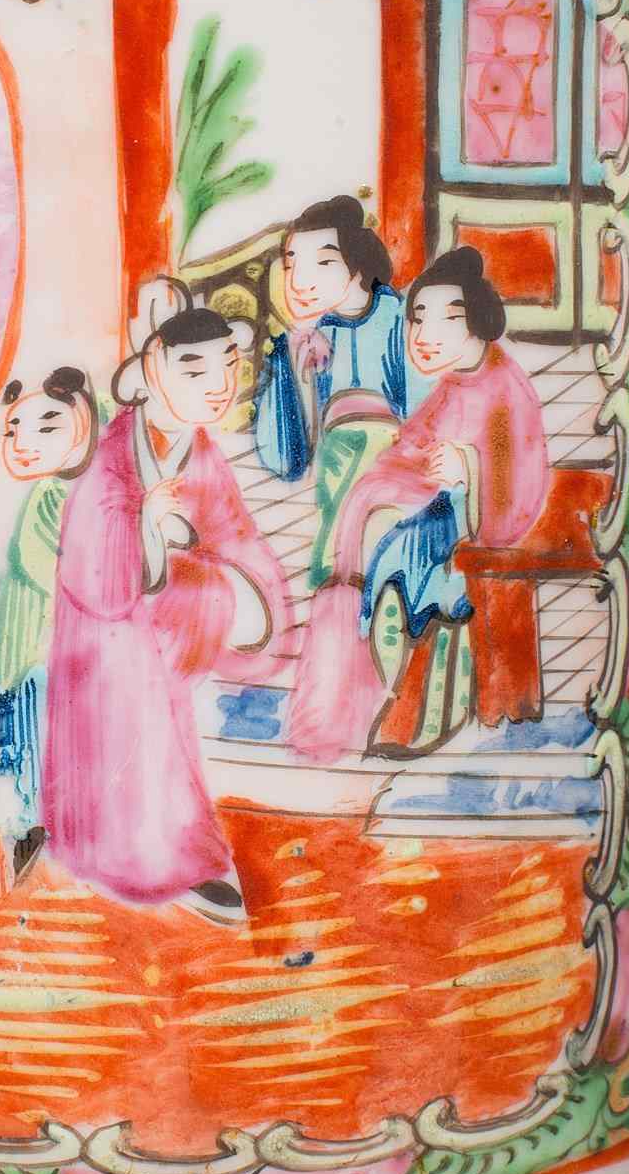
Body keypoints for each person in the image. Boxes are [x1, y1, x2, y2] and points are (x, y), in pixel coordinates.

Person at [41, 284, 289, 923]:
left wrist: (237, 586)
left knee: (164, 719)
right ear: (153, 367)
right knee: (136, 716)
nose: (218, 386)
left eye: (227, 367)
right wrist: (145, 527)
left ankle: (174, 853)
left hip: (157, 612)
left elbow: (235, 534)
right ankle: (159, 862)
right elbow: (93, 557)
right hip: (107, 623)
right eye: (194, 370)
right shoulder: (111, 456)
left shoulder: (199, 454)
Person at [287, 248, 548, 764]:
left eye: (447, 319)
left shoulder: (505, 386)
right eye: (418, 318)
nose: (425, 334)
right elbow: (408, 449)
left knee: (400, 563)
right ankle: (350, 705)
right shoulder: (452, 385)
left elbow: (519, 481)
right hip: (432, 517)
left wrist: (469, 469)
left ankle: (415, 705)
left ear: (477, 321)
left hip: (473, 529)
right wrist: (388, 489)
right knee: (366, 538)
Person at [253, 195, 433, 585]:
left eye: (323, 263)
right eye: (291, 264)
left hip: (397, 480)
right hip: (331, 480)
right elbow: (284, 457)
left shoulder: (399, 321)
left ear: (356, 266)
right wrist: (291, 365)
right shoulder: (300, 338)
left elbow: (426, 417)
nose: (300, 282)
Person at [0, 368, 98, 885]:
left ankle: (52, 821)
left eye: (47, 427)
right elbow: (46, 571)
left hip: (67, 646)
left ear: (83, 420)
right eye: (14, 431)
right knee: (25, 735)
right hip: (35, 645)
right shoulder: (47, 498)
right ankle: (22, 828)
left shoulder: (88, 490)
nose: (25, 445)